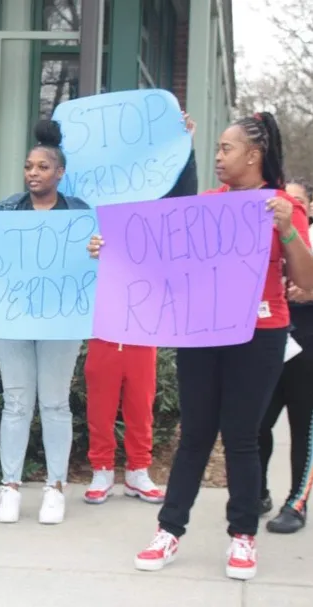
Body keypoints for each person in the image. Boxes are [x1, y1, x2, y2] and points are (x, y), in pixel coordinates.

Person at [90, 112, 313, 580]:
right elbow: (158, 256)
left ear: (253, 156)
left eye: (226, 148)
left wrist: (287, 229)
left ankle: (242, 538)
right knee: (193, 437)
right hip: (201, 333)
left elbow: (307, 284)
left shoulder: (280, 205)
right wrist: (109, 248)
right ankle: (169, 531)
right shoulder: (205, 205)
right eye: (216, 148)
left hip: (260, 336)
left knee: (242, 438)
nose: (218, 156)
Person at [0, 120, 88, 525]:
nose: (33, 173)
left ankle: (55, 486)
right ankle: (9, 485)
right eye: (29, 166)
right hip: (11, 316)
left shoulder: (79, 213)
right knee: (15, 402)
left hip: (62, 320)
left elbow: (93, 265)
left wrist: (99, 249)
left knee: (55, 403)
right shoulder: (7, 210)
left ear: (59, 173)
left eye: (42, 167)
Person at [83, 113, 199, 506]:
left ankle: (137, 471)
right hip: (106, 319)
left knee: (140, 399)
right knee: (100, 398)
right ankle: (101, 470)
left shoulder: (157, 201)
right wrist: (91, 248)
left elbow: (185, 198)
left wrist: (184, 144)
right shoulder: (98, 199)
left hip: (145, 319)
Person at [258, 178, 313, 534]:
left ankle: (297, 502)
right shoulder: (267, 240)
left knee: (302, 430)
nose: (286, 209)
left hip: (307, 351)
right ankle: (256, 490)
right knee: (257, 423)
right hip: (271, 347)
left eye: (296, 203)